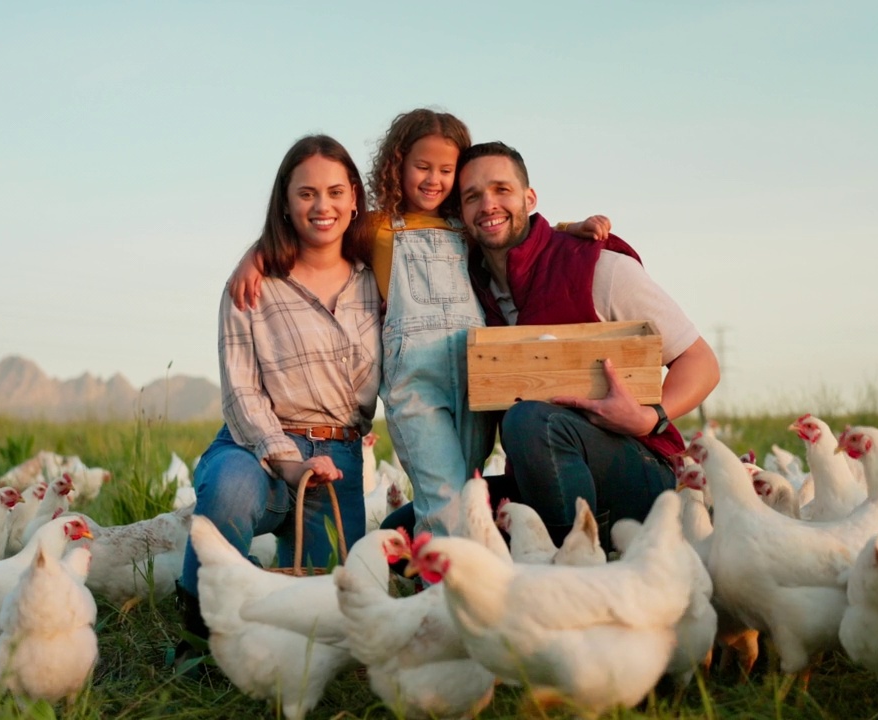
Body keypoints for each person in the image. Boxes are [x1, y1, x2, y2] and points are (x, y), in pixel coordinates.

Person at [230, 109, 610, 539]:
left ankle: (470, 583)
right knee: (442, 496)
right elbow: (313, 232)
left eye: (447, 170)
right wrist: (256, 256)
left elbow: (516, 227)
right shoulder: (373, 228)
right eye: (422, 167)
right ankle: (439, 592)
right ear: (398, 165)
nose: (433, 179)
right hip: (416, 380)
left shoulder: (465, 227)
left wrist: (570, 227)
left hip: (473, 377)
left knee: (469, 491)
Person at [175, 134, 378, 668]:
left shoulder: (377, 277)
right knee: (230, 491)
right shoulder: (251, 286)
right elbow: (241, 392)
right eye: (306, 193)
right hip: (259, 446)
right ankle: (199, 633)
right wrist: (287, 462)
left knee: (321, 624)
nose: (322, 206)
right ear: (286, 202)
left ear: (355, 197)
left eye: (335, 191)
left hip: (339, 460)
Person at [457, 141, 720, 550]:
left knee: (530, 421)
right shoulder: (469, 293)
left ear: (530, 198)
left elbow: (700, 361)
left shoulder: (598, 268)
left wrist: (651, 417)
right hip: (543, 476)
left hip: (640, 470)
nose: (488, 204)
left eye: (501, 190)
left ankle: (576, 569)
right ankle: (547, 550)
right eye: (472, 196)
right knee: (422, 525)